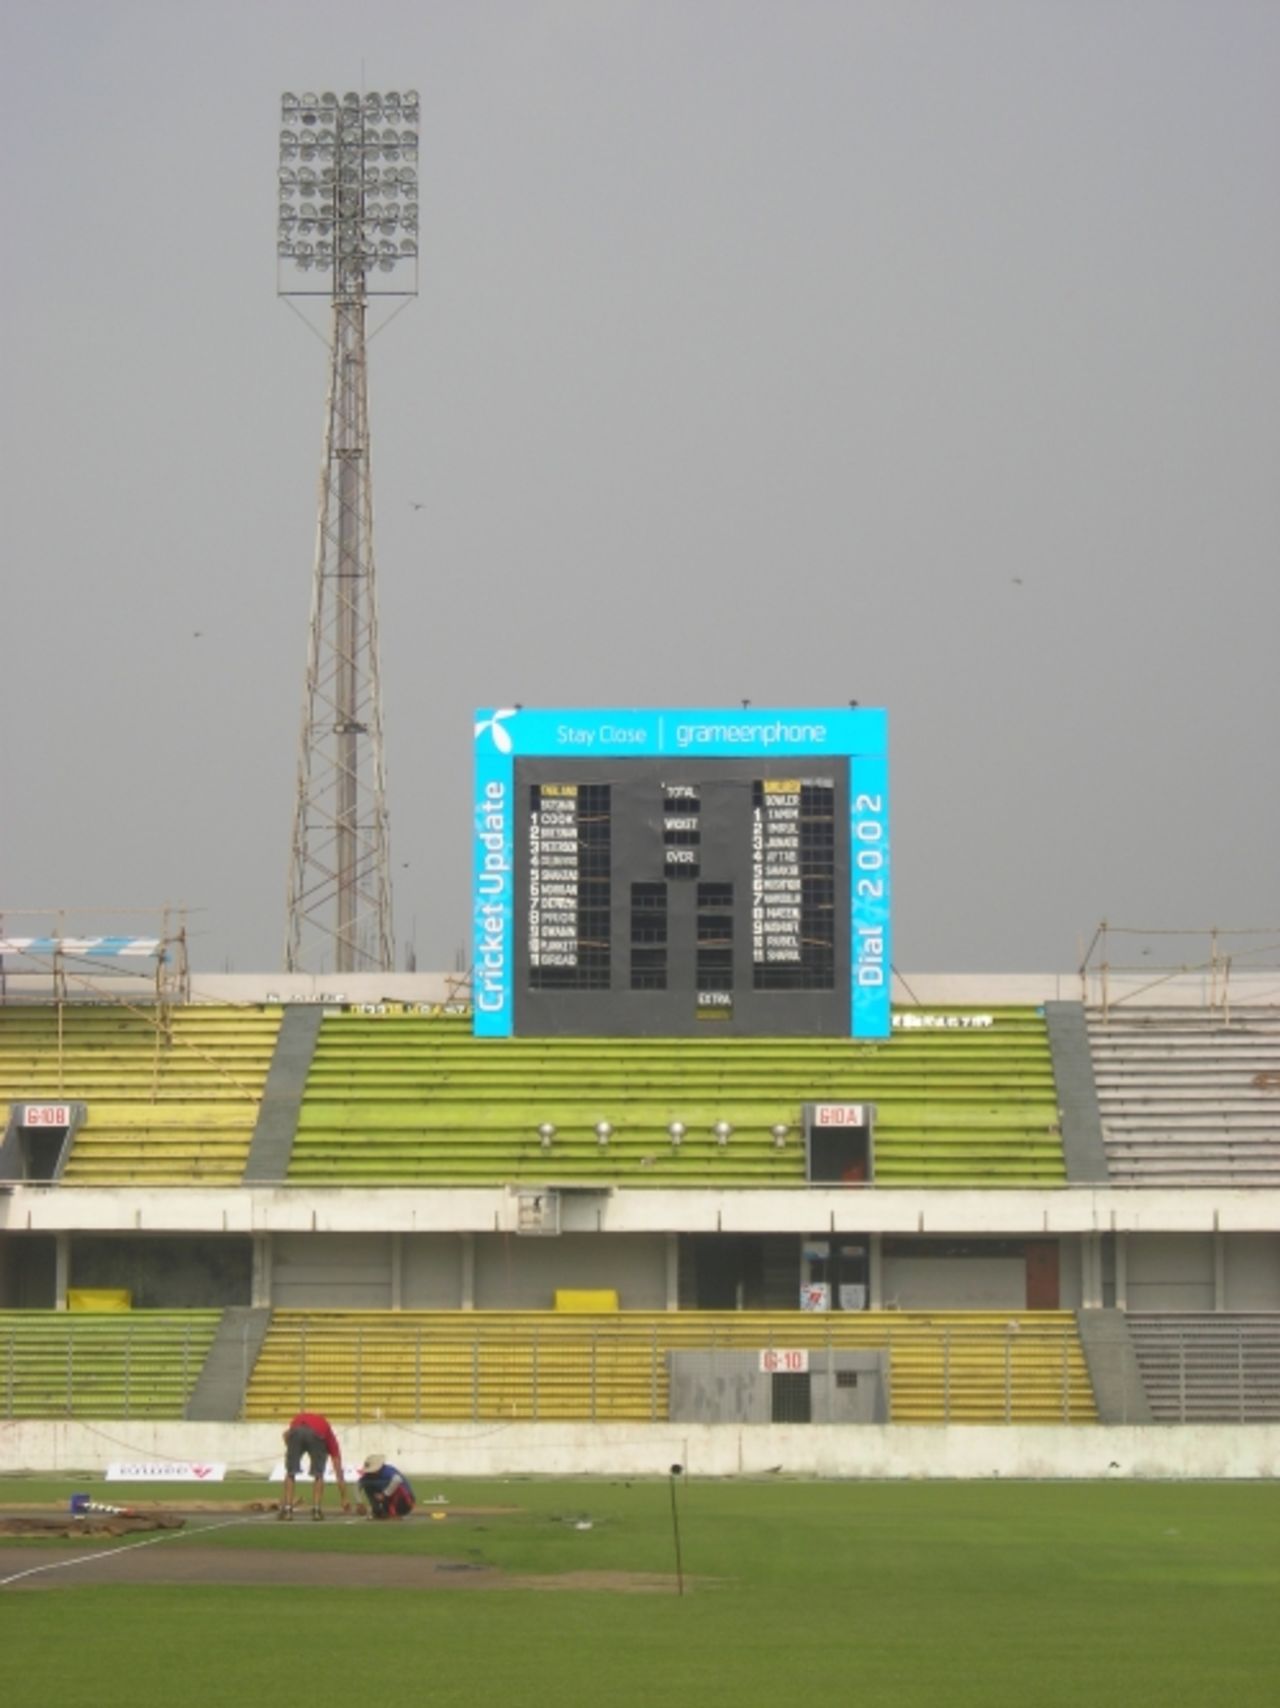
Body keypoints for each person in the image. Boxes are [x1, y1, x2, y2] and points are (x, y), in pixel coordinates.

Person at [280, 1410, 351, 1521]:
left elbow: (285, 1435)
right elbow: (338, 1470)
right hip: (316, 1433)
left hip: (296, 1429)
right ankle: (316, 1510)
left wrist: (290, 1449)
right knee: (318, 1475)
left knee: (290, 1472)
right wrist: (344, 1497)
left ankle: (287, 1510)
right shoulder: (330, 1437)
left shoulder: (300, 1418)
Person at [357, 1453, 416, 1520]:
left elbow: (397, 1480)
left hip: (405, 1502)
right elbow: (358, 1485)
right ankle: (377, 1511)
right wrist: (359, 1503)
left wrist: (384, 1494)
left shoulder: (387, 1471)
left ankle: (394, 1513)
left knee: (397, 1486)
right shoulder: (368, 1476)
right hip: (387, 1501)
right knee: (368, 1485)